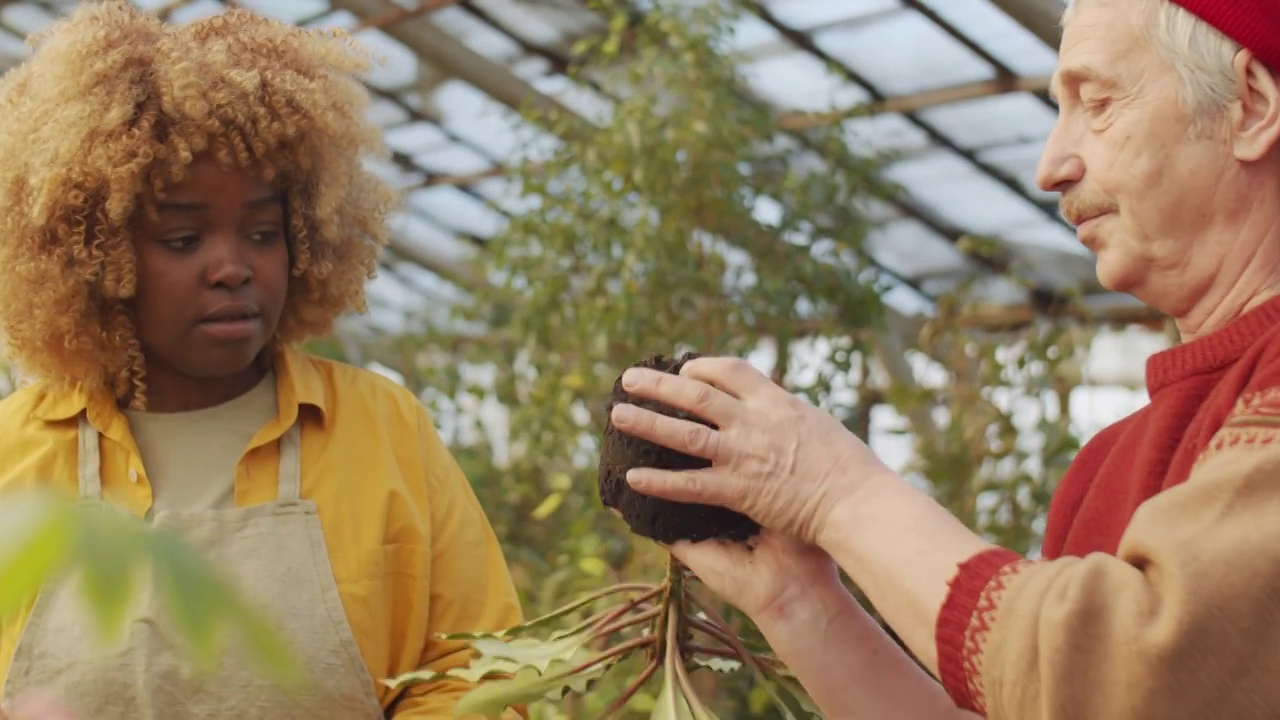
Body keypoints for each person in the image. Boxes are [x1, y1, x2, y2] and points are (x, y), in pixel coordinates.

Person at [609, 0, 1280, 717]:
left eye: (1099, 102)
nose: (1050, 166)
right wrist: (798, 599)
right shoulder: (1107, 467)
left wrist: (834, 488)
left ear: (1249, 106)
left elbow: (1131, 674)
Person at [0, 2, 523, 719]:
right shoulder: (14, 455)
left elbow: (480, 671)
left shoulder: (381, 430)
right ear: (93, 256)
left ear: (305, 238)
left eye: (261, 232)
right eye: (183, 239)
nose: (233, 268)